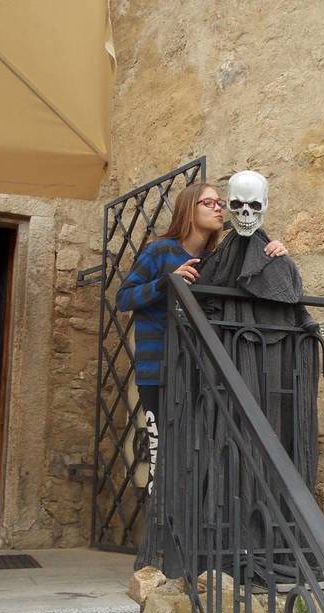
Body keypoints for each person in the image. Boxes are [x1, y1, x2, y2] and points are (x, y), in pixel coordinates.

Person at [116, 181, 287, 489]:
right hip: (158, 371)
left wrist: (274, 252)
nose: (219, 208)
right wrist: (167, 282)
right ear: (188, 209)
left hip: (199, 370)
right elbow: (124, 298)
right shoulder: (160, 250)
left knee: (195, 456)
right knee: (162, 459)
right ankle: (159, 518)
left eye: (220, 203)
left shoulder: (215, 260)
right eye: (209, 203)